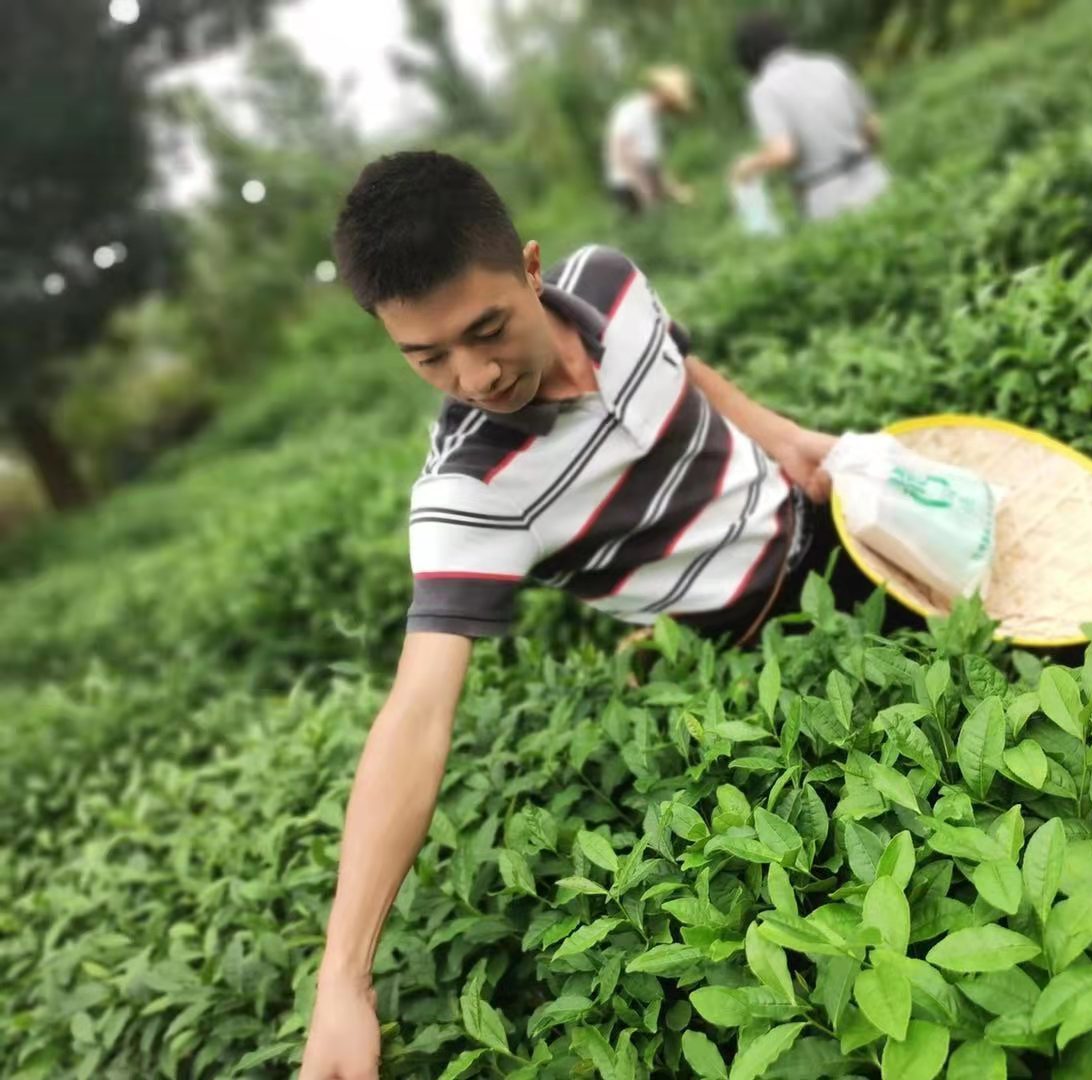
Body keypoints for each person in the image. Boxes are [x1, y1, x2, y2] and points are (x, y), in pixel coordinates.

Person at [298, 150, 885, 1079]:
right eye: (427, 357)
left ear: (532, 269)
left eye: (488, 329)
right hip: (764, 649)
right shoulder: (470, 494)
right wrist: (343, 979)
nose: (475, 375)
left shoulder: (612, 283)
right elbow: (417, 713)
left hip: (834, 528)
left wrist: (784, 439)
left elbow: (680, 368)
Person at [730, 12, 890, 222]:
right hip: (875, 179)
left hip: (829, 199)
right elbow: (872, 127)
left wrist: (750, 165)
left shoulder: (763, 90)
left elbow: (783, 152)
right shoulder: (830, 64)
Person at [603, 65, 695, 214]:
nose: (671, 110)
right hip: (629, 190)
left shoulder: (652, 118)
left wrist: (676, 191)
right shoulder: (633, 110)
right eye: (671, 104)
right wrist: (644, 193)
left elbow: (653, 165)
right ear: (662, 95)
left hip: (647, 185)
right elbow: (620, 152)